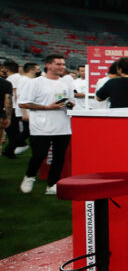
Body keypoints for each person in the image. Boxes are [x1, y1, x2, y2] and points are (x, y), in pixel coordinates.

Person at [19, 54, 74, 195]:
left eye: (63, 64)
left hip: (63, 126)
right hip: (41, 127)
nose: (62, 67)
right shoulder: (35, 83)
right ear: (48, 65)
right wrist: (47, 107)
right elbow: (23, 103)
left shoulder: (67, 83)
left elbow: (71, 101)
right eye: (58, 64)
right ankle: (30, 176)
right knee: (39, 155)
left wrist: (70, 104)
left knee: (59, 157)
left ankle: (52, 184)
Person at [1, 61, 29, 157]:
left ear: (6, 69)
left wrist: (19, 108)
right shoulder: (19, 78)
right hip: (17, 107)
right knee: (14, 131)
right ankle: (11, 150)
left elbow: (16, 94)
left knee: (12, 130)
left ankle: (18, 145)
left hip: (14, 108)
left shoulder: (13, 79)